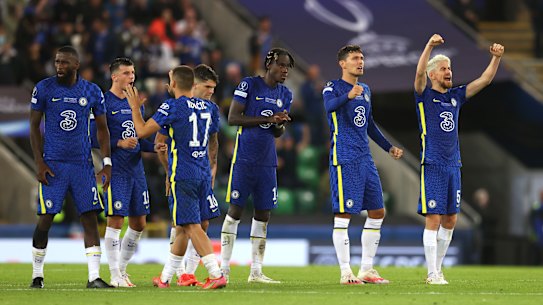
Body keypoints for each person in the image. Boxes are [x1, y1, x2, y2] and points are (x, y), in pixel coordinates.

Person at [125, 65, 226, 290]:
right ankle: (166, 278)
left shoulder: (171, 107)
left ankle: (215, 272)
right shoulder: (210, 108)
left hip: (184, 174)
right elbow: (212, 141)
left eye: (169, 79)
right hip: (202, 172)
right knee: (182, 226)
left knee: (191, 225)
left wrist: (133, 108)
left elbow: (141, 132)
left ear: (174, 84)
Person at [414, 34, 504, 284]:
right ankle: (432, 273)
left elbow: (484, 80)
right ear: (433, 75)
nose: (448, 72)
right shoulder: (423, 95)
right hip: (432, 163)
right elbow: (419, 72)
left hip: (454, 164)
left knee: (451, 218)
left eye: (449, 69)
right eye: (443, 69)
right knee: (433, 217)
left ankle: (438, 269)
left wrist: (495, 58)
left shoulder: (455, 96)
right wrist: (429, 46)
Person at [29, 46, 113, 289]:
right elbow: (34, 126)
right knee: (46, 219)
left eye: (64, 62)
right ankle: (37, 274)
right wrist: (39, 162)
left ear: (77, 64)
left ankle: (94, 277)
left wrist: (106, 163)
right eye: (57, 62)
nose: (59, 66)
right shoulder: (44, 88)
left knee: (89, 217)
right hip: (53, 164)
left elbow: (102, 129)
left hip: (82, 165)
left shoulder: (92, 91)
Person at [322, 45, 403, 285]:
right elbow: (327, 108)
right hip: (344, 156)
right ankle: (346, 272)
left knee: (378, 211)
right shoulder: (333, 87)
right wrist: (347, 95)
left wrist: (389, 147)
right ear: (342, 64)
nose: (360, 62)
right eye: (355, 58)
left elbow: (369, 124)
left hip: (364, 157)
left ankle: (366, 269)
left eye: (362, 58)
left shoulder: (365, 89)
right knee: (344, 213)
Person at [220, 48, 293, 284]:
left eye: (288, 67)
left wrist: (280, 124)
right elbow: (233, 118)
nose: (285, 71)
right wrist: (268, 119)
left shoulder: (286, 94)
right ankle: (223, 269)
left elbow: (277, 133)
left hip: (267, 161)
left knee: (263, 215)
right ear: (269, 64)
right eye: (281, 65)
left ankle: (256, 271)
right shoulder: (249, 84)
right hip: (244, 158)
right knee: (235, 212)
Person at [155, 64, 221, 286]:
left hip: (200, 173)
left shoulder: (210, 109)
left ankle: (174, 275)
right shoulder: (177, 108)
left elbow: (213, 142)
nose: (211, 91)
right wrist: (167, 172)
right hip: (182, 173)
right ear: (194, 84)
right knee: (183, 223)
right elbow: (159, 143)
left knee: (198, 223)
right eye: (208, 86)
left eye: (214, 87)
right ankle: (182, 273)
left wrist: (213, 166)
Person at [100, 58, 158, 287]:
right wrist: (118, 144)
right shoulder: (103, 102)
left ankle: (122, 271)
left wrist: (155, 147)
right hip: (117, 171)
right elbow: (95, 138)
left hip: (136, 171)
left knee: (139, 223)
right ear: (114, 76)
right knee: (115, 221)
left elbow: (139, 139)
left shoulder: (137, 104)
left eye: (133, 72)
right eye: (126, 73)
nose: (131, 77)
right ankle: (114, 274)